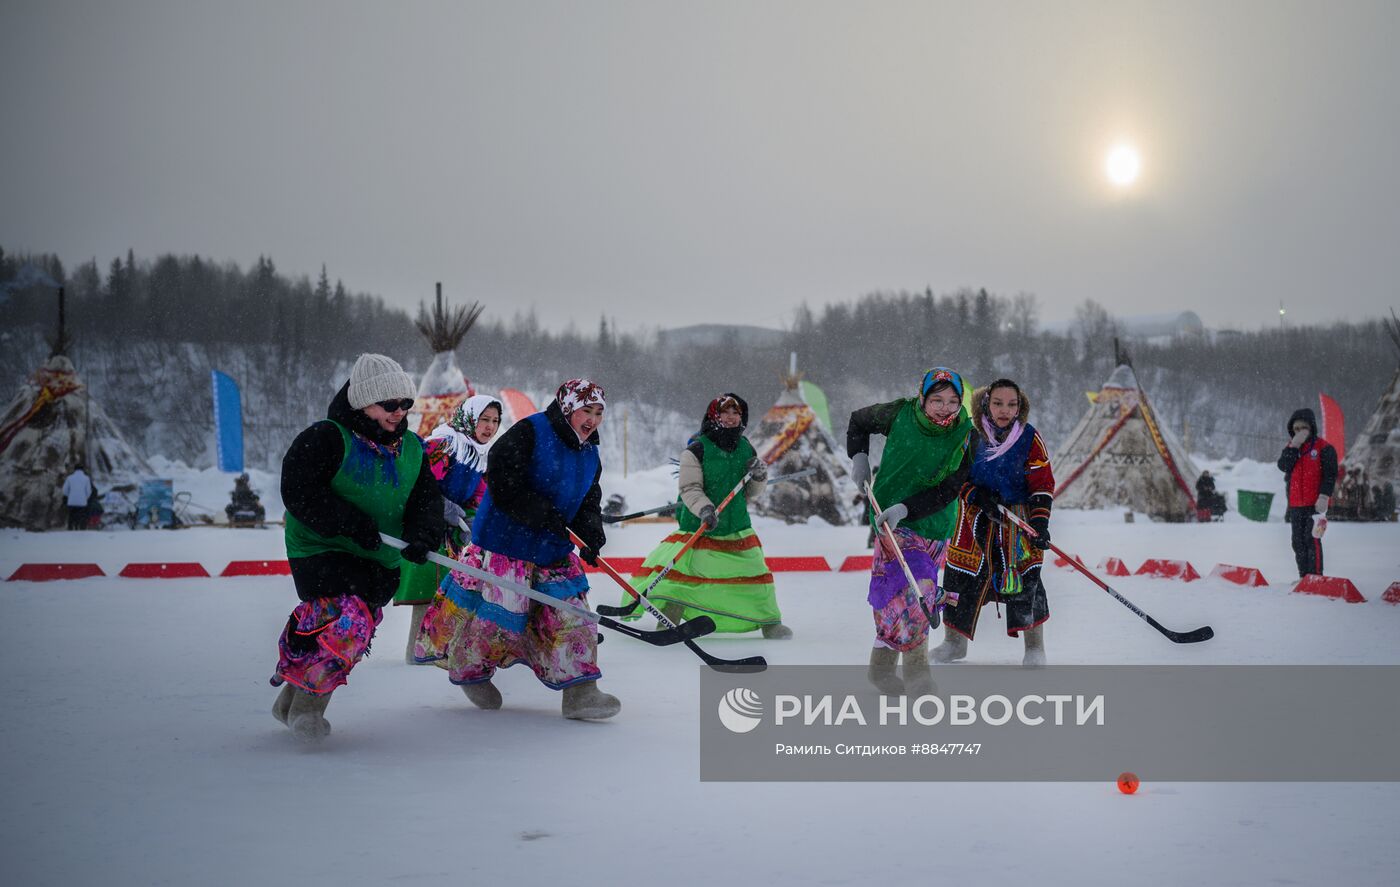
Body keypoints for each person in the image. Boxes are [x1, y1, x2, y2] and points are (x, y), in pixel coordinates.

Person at [415, 379, 618, 720]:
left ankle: (581, 693)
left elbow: (588, 499)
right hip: (504, 544)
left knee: (574, 617)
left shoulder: (590, 452)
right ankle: (472, 673)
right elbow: (502, 475)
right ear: (568, 409)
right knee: (495, 623)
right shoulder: (532, 431)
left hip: (553, 548)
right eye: (587, 410)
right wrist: (537, 511)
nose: (593, 419)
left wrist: (591, 532)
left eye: (599, 412)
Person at [270, 353, 445, 742]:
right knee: (347, 620)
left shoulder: (412, 448)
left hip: (378, 555)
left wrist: (422, 537)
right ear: (362, 402)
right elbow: (298, 491)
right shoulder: (326, 438)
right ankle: (307, 711)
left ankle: (288, 702)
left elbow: (426, 502)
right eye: (389, 405)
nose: (399, 412)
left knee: (353, 627)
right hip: (321, 548)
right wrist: (349, 524)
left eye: (405, 404)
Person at [624, 393, 792, 639]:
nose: (732, 417)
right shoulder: (697, 449)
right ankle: (668, 621)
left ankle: (769, 623)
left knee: (755, 577)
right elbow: (690, 488)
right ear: (714, 415)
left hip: (737, 526)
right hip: (700, 525)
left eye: (737, 413)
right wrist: (704, 509)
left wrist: (759, 476)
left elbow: (752, 493)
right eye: (726, 412)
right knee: (682, 576)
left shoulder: (747, 447)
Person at [847, 367, 972, 695]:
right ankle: (918, 676)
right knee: (918, 588)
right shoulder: (900, 413)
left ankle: (880, 669)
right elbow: (859, 421)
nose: (944, 408)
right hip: (889, 518)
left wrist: (908, 509)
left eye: (952, 401)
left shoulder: (967, 436)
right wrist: (859, 458)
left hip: (934, 522)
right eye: (937, 400)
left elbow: (950, 488)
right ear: (922, 397)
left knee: (898, 599)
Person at [937, 380, 1054, 667]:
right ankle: (953, 644)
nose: (1005, 410)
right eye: (999, 403)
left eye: (1012, 404)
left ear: (1020, 406)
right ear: (986, 404)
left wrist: (1040, 524)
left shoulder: (1029, 437)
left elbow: (1042, 482)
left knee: (1028, 581)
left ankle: (1035, 649)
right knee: (959, 579)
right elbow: (954, 476)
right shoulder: (970, 435)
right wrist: (976, 495)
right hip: (974, 518)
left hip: (1016, 520)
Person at [399, 394, 502, 663]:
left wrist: (471, 519)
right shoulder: (445, 444)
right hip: (424, 528)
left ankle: (436, 648)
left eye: (495, 421)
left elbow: (477, 496)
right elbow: (419, 483)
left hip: (449, 534)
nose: (489, 427)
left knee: (448, 593)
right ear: (469, 418)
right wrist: (440, 504)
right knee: (426, 593)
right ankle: (417, 653)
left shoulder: (477, 454)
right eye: (484, 419)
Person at [1276, 407, 1338, 578]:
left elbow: (1330, 475)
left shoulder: (1324, 447)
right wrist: (1294, 446)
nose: (1299, 432)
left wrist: (1324, 496)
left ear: (1310, 427)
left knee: (1313, 540)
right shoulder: (1291, 449)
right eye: (1295, 429)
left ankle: (1316, 576)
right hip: (1296, 505)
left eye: (1302, 428)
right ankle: (1303, 577)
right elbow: (1283, 466)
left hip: (1316, 505)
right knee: (1297, 542)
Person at [62, 463, 92, 530]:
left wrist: (69, 496)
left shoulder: (69, 478)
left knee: (71, 517)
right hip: (82, 502)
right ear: (83, 470)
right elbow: (88, 491)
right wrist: (85, 498)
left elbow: (64, 490)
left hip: (71, 502)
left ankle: (70, 529)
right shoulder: (86, 478)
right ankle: (82, 530)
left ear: (74, 469)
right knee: (82, 517)